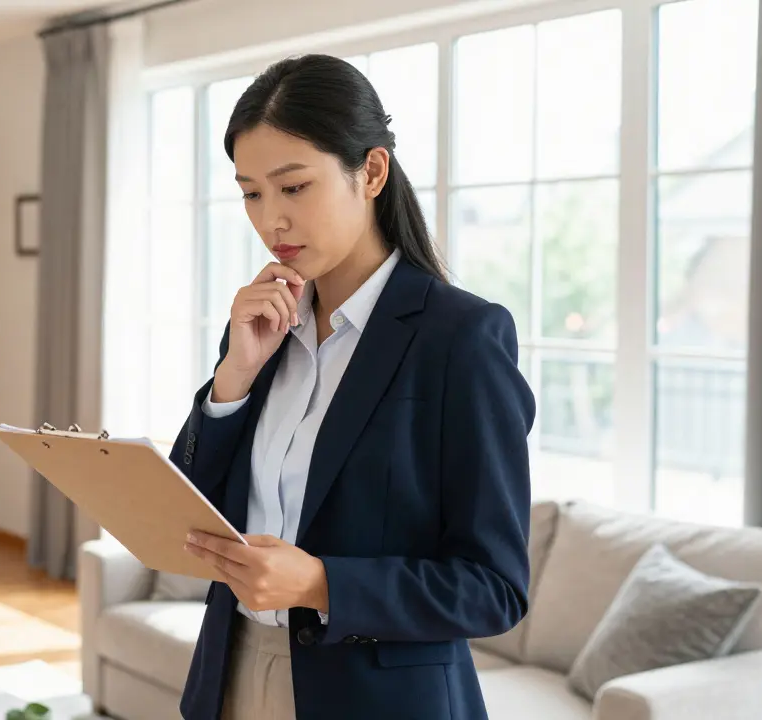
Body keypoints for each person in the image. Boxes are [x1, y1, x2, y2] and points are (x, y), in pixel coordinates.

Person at [170, 54, 536, 720]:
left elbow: (493, 589)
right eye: (251, 192)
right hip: (232, 672)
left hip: (378, 698)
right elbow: (188, 513)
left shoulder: (460, 339)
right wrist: (235, 376)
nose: (270, 220)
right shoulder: (260, 328)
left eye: (293, 187)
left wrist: (319, 582)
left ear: (370, 171)